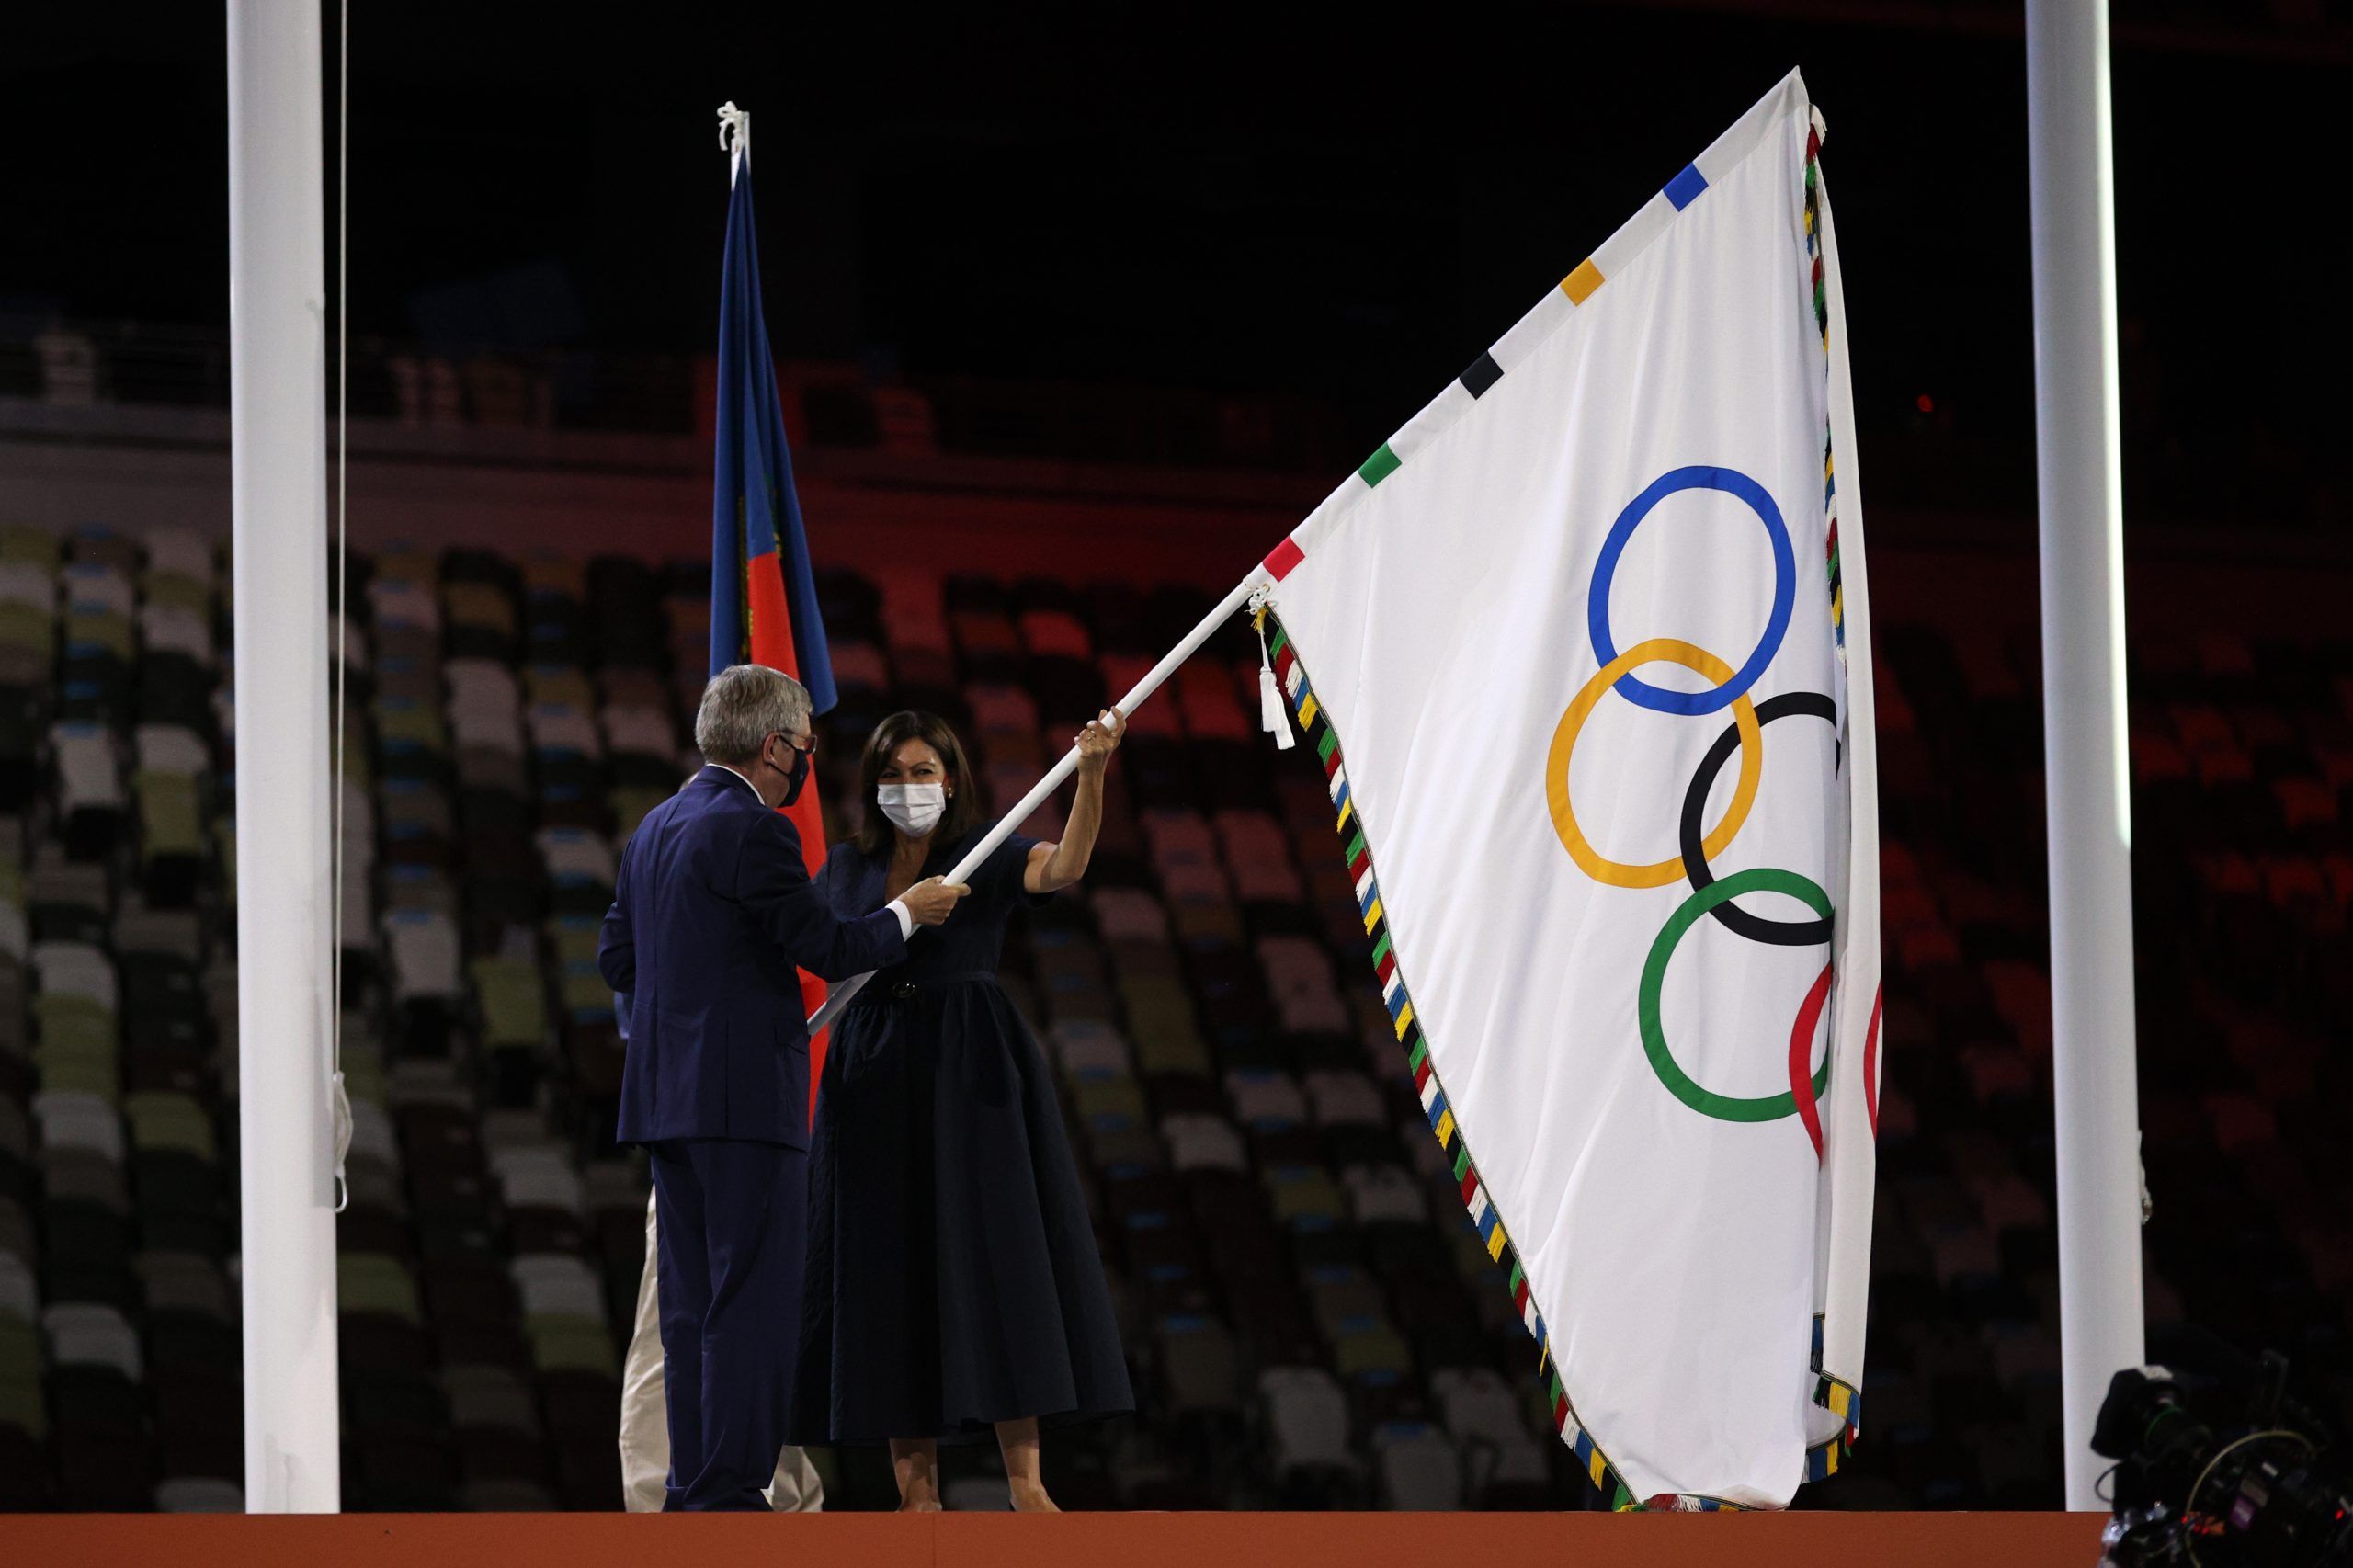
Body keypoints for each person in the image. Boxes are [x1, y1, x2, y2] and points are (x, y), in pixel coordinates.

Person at [597, 665, 967, 1511]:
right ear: (774, 747)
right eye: (802, 748)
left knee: (689, 1313)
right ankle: (729, 1492)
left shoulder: (654, 827)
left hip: (664, 1103)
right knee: (751, 1308)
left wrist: (690, 993)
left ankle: (694, 1484)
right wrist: (912, 913)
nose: (805, 763)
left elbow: (618, 959)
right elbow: (828, 948)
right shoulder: (752, 829)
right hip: (744, 1105)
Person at [790, 708, 1135, 1511]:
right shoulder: (843, 870)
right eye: (893, 773)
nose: (908, 788)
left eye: (922, 772)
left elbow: (1067, 866)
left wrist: (1090, 774)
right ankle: (916, 1492)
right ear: (871, 784)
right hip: (873, 1070)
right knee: (887, 1268)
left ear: (951, 780)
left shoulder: (987, 850)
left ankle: (1026, 1482)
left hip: (971, 1065)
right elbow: (812, 945)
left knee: (999, 1256)